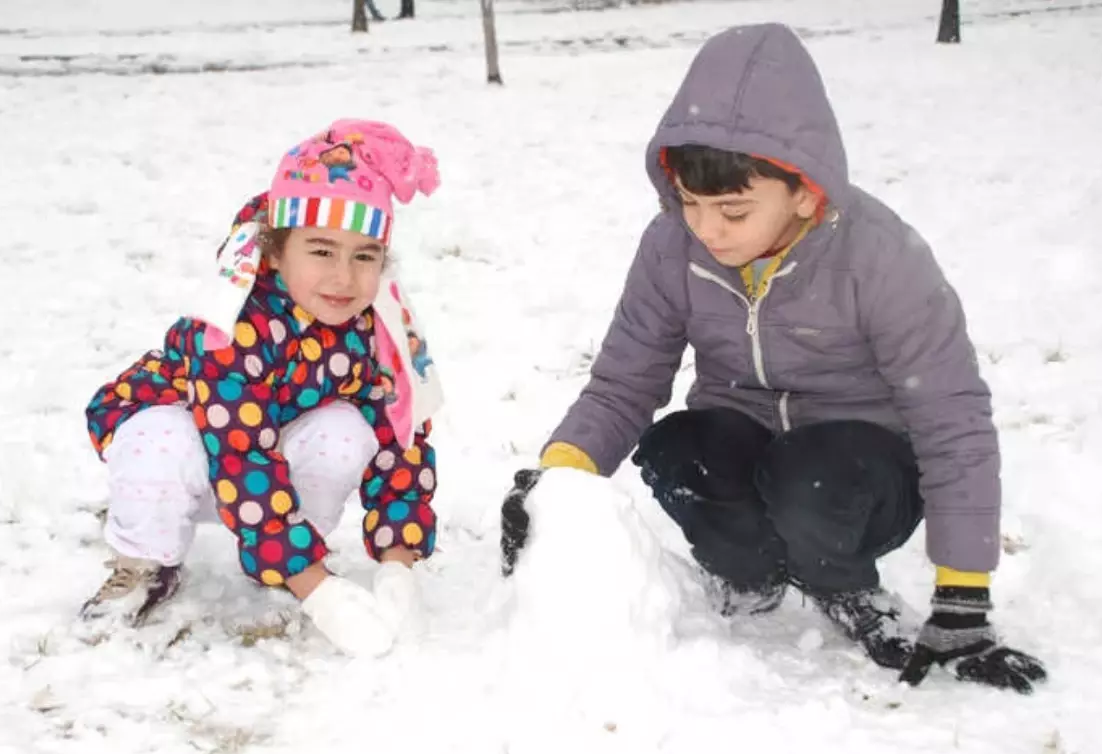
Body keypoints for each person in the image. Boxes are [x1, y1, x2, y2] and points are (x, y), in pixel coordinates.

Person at [500, 24, 1046, 693]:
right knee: (679, 448)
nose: (707, 228)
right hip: (747, 434)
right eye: (691, 203)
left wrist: (963, 596)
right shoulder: (674, 246)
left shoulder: (879, 256)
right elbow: (623, 381)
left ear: (805, 191)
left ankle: (842, 583)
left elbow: (950, 414)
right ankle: (750, 569)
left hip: (862, 467)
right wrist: (559, 478)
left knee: (808, 479)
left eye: (732, 209)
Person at [83, 119, 443, 659]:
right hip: (196, 455)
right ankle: (144, 560)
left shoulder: (376, 327)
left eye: (364, 255)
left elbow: (401, 436)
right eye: (321, 251)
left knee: (349, 431)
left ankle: (292, 558)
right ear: (274, 251)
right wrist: (317, 590)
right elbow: (241, 456)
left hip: (272, 451)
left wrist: (399, 562)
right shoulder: (230, 328)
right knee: (158, 438)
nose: (344, 279)